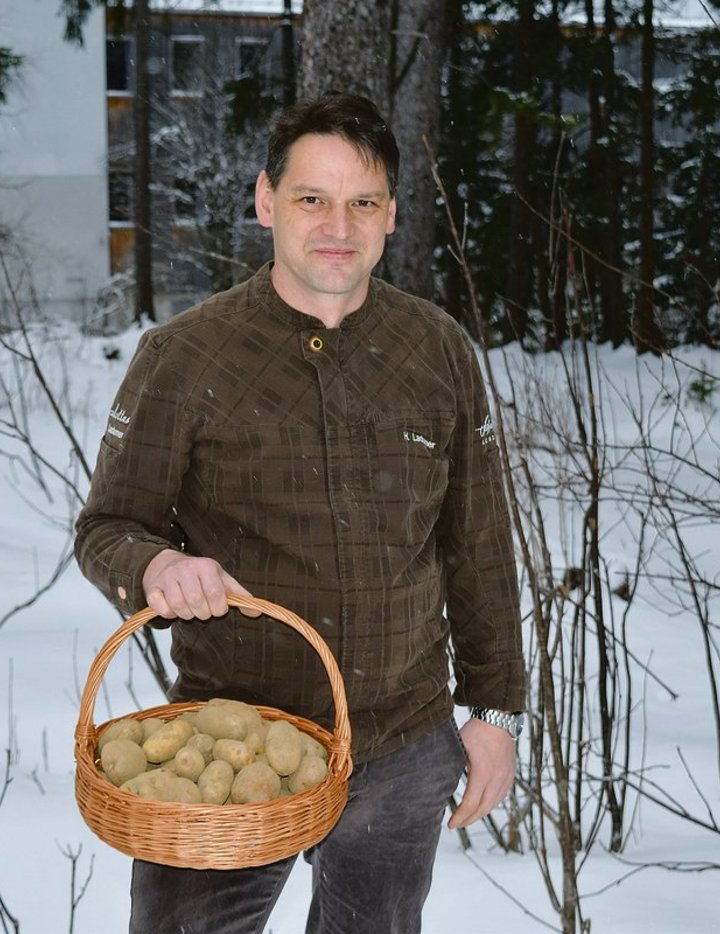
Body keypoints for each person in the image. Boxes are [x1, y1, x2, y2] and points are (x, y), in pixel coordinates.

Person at [74, 90, 525, 934]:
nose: (338, 227)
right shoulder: (184, 357)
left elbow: (479, 543)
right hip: (235, 746)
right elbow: (107, 528)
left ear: (392, 215)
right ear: (265, 200)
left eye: (363, 203)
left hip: (401, 745)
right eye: (312, 198)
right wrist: (156, 564)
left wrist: (497, 711)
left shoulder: (437, 351)